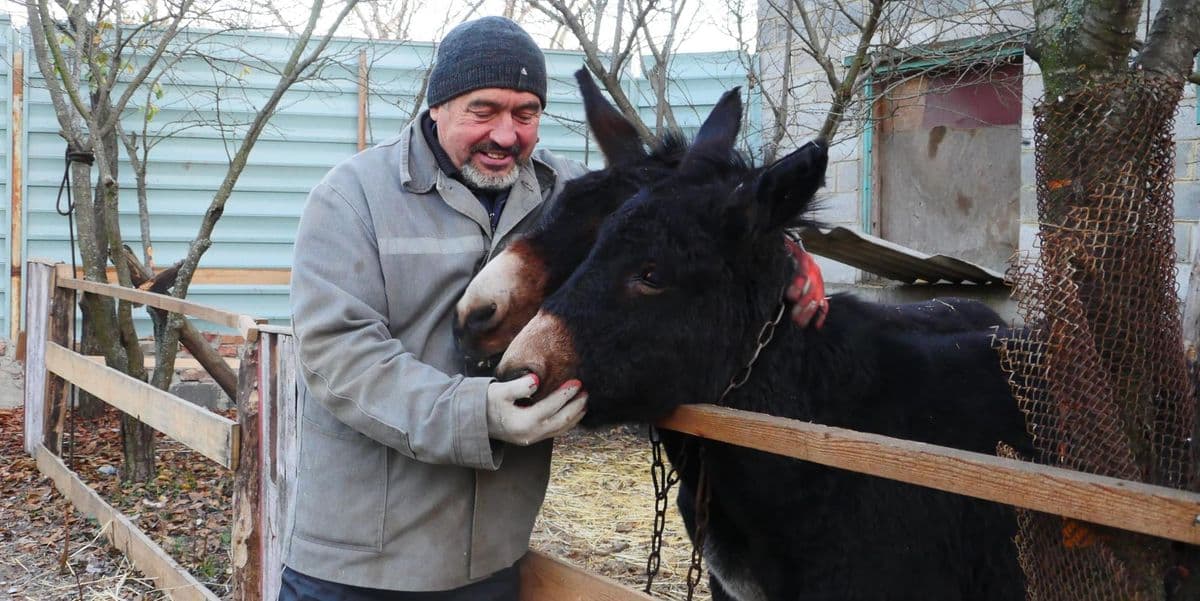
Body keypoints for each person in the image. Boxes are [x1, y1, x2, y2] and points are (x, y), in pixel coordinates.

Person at [283, 15, 828, 601]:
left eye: (525, 114)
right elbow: (339, 355)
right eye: (483, 110)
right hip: (359, 567)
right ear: (436, 105)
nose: (505, 134)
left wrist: (786, 251)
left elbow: (681, 215)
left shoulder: (561, 191)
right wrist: (477, 413)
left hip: (491, 562)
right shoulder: (352, 197)